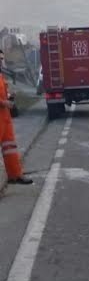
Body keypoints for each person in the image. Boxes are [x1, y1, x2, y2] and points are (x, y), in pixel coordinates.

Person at [0, 50, 33, 186]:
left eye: (2, 59)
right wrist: (3, 102)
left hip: (5, 117)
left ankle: (15, 175)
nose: (1, 61)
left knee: (10, 147)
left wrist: (9, 96)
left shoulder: (0, 76)